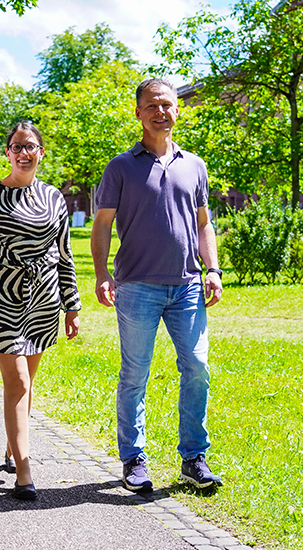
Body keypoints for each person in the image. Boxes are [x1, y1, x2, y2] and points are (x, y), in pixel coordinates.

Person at [91, 78, 224, 492]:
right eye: (151, 105)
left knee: (197, 367)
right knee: (135, 373)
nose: (160, 111)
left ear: (177, 110)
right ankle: (134, 460)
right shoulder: (120, 167)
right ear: (138, 113)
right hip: (137, 287)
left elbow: (204, 224)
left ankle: (193, 459)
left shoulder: (194, 165)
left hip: (187, 286)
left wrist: (213, 269)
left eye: (166, 104)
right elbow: (102, 226)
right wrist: (100, 273)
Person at [0, 122, 81, 501]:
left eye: (30, 146)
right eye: (17, 146)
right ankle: (24, 469)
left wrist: (72, 305)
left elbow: (64, 254)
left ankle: (10, 448)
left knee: (27, 383)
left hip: (44, 301)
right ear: (8, 152)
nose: (23, 152)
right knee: (17, 381)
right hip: (4, 299)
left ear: (40, 152)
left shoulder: (54, 198)